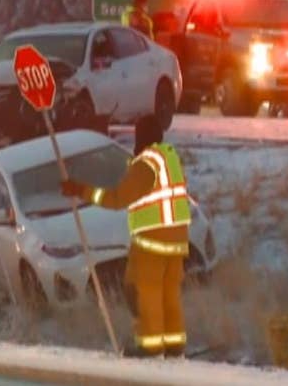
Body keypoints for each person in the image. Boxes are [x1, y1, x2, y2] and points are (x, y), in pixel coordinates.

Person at [61, 115, 191, 358]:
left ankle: (150, 346)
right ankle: (174, 344)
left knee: (141, 289)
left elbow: (117, 198)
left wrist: (81, 191)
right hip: (177, 239)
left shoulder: (145, 164)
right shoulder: (170, 158)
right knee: (168, 292)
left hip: (153, 240)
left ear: (142, 136)